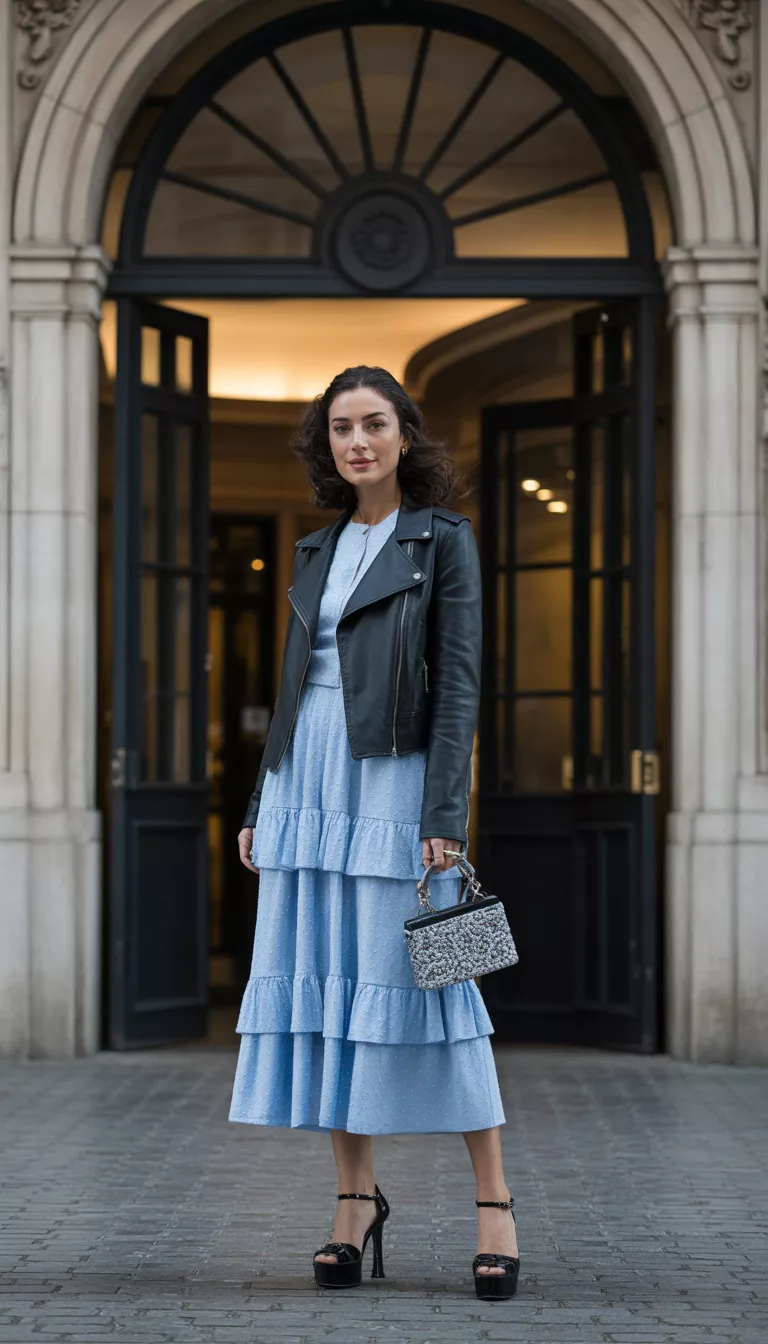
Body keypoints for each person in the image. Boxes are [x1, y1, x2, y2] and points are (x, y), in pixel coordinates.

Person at [229, 366, 519, 1300]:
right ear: (329, 444)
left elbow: (459, 685)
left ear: (405, 436)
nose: (358, 442)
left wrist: (445, 818)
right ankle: (353, 1201)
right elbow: (288, 690)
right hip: (305, 776)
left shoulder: (444, 541)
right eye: (342, 428)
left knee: (436, 984)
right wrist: (258, 807)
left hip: (392, 780)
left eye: (375, 425)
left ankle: (495, 1203)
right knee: (332, 988)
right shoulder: (314, 549)